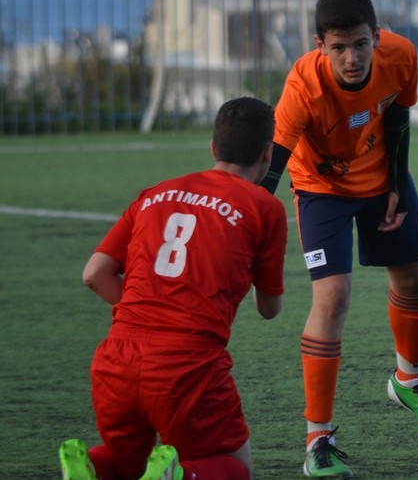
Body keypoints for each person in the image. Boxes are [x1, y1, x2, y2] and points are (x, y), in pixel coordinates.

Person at [260, 0, 418, 479]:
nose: (352, 58)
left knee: (413, 275)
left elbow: (399, 117)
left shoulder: (402, 55)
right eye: (339, 47)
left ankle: (409, 382)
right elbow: (272, 168)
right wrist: (243, 229)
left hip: (381, 176)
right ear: (319, 45)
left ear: (377, 36)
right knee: (333, 298)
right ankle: (317, 441)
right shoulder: (302, 87)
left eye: (361, 44)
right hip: (320, 188)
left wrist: (396, 186)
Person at [59, 97, 288, 480]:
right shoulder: (264, 206)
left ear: (213, 148)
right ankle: (180, 476)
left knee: (127, 466)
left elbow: (95, 274)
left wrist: (150, 308)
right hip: (188, 363)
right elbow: (269, 307)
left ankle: (92, 468)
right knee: (234, 467)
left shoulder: (155, 193)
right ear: (267, 155)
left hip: (117, 357)